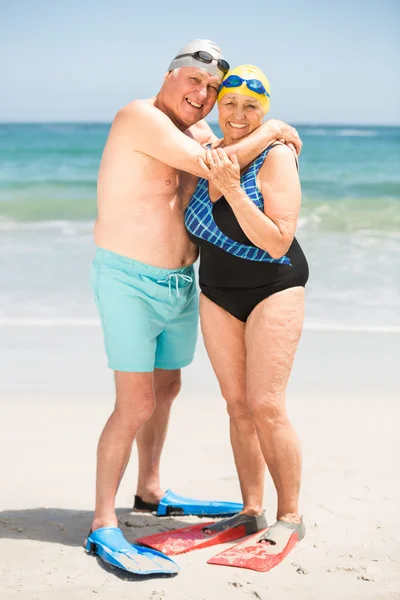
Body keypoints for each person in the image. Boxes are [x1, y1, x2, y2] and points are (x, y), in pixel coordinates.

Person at [87, 41, 302, 571]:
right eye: (194, 82)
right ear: (170, 75)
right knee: (134, 402)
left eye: (212, 89)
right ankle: (102, 523)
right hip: (129, 279)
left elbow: (232, 152)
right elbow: (213, 167)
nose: (203, 95)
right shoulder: (138, 117)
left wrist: (271, 142)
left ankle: (150, 491)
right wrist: (272, 130)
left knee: (168, 388)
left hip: (183, 283)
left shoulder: (202, 131)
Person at [185, 64, 309, 549]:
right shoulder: (207, 152)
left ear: (266, 112)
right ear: (218, 106)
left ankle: (291, 516)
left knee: (266, 405)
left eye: (252, 108)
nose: (238, 115)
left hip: (273, 287)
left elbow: (278, 241)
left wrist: (235, 190)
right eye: (230, 103)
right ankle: (251, 511)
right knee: (237, 406)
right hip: (217, 290)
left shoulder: (277, 156)